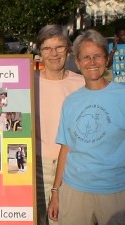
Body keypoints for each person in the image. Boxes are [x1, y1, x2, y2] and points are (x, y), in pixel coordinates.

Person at [48, 29, 125, 225]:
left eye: (97, 56)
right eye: (86, 57)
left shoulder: (121, 96)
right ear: (78, 62)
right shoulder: (71, 102)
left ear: (107, 59)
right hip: (75, 191)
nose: (92, 62)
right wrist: (56, 191)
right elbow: (66, 147)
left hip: (116, 192)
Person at [34, 24, 85, 225]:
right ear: (39, 52)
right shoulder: (28, 83)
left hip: (72, 167)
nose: (54, 54)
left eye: (60, 47)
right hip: (37, 166)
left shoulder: (81, 84)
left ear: (69, 49)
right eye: (47, 48)